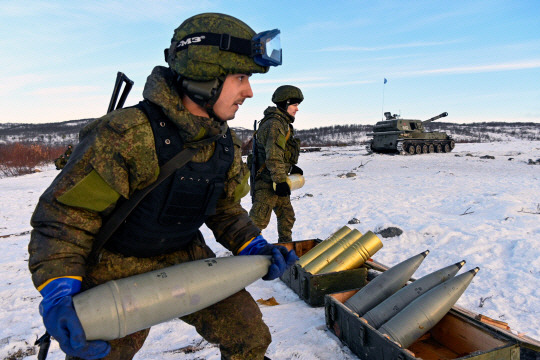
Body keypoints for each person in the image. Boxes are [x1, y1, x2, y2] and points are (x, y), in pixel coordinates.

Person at [28, 13, 297, 360]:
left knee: (249, 336)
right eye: (241, 77)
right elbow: (65, 219)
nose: (248, 91)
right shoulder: (127, 136)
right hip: (116, 268)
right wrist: (59, 290)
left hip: (185, 257)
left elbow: (224, 209)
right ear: (204, 77)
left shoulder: (223, 142)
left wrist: (253, 246)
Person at [249, 85, 303, 243]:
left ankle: (285, 247)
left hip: (276, 180)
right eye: (294, 105)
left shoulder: (282, 123)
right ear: (285, 104)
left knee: (287, 217)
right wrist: (280, 180)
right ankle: (244, 255)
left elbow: (279, 153)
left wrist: (290, 167)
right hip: (268, 182)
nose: (297, 109)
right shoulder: (274, 124)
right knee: (257, 222)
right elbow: (273, 156)